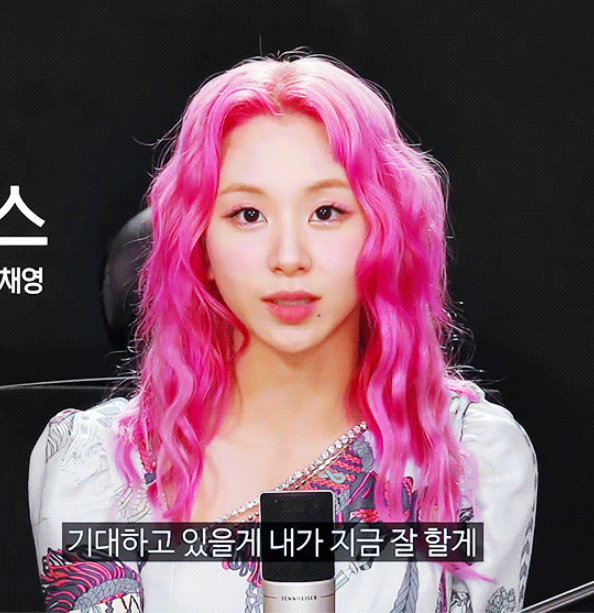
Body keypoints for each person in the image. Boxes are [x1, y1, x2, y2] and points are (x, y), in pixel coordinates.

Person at [29, 53, 536, 613]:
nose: (289, 257)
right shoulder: (100, 466)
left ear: (384, 233)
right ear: (201, 246)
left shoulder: (471, 457)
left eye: (327, 212)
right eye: (248, 215)